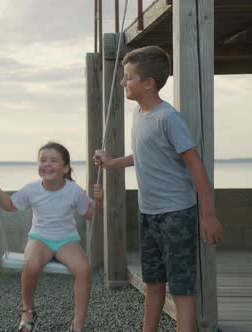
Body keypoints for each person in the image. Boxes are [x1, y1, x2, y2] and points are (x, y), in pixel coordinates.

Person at [93, 46, 222, 332]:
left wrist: (209, 215)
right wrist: (113, 163)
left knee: (181, 288)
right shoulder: (140, 114)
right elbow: (144, 154)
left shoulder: (168, 118)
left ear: (148, 83)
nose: (123, 82)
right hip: (147, 214)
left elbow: (196, 165)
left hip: (176, 214)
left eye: (128, 77)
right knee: (153, 283)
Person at [0, 142, 102, 332]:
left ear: (65, 168)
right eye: (42, 160)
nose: (47, 164)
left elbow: (89, 214)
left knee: (84, 269)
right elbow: (9, 205)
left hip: (67, 240)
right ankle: (28, 311)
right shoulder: (32, 189)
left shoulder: (74, 191)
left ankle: (78, 324)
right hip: (40, 238)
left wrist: (100, 200)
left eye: (53, 160)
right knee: (31, 263)